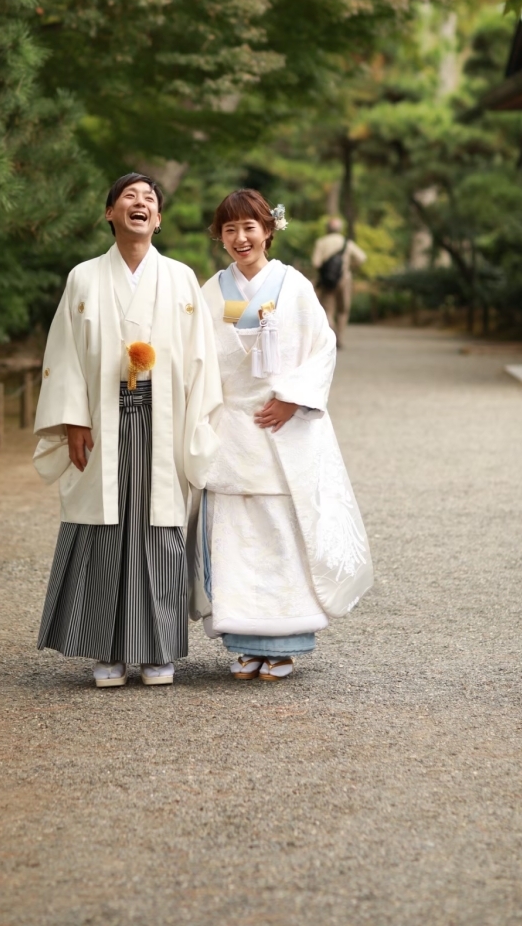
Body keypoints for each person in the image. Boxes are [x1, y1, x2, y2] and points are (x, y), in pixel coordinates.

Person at [33, 174, 222, 689]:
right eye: (128, 198)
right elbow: (65, 353)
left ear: (158, 219)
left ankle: (158, 651)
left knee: (158, 529)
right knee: (104, 529)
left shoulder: (182, 279)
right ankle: (108, 650)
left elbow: (201, 357)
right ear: (110, 214)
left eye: (150, 200)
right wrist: (73, 418)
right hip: (101, 417)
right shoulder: (84, 278)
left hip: (165, 419)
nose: (140, 205)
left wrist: (200, 421)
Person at [188, 190, 372, 681]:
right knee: (234, 536)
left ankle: (285, 643)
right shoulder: (213, 292)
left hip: (283, 423)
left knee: (281, 533)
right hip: (232, 427)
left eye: (249, 227)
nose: (240, 238)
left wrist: (293, 396)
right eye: (229, 230)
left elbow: (322, 346)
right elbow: (198, 359)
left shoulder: (294, 286)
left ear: (268, 230)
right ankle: (244, 642)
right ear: (220, 237)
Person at [311, 217, 366, 347]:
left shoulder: (321, 242)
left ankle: (332, 334)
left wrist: (326, 269)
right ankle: (339, 336)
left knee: (327, 309)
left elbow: (315, 262)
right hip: (344, 279)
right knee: (343, 309)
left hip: (327, 280)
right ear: (339, 229)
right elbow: (362, 258)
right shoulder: (346, 242)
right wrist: (349, 265)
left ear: (327, 229)